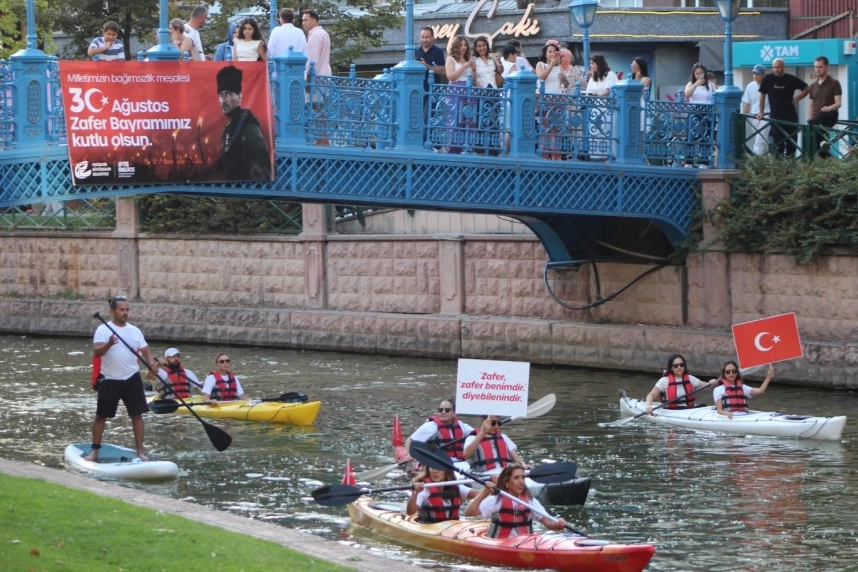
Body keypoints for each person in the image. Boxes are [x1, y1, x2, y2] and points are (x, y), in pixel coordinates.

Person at [85, 295, 155, 462]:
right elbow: (97, 352)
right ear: (112, 311)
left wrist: (152, 365)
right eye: (122, 310)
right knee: (101, 416)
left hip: (132, 378)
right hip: (109, 379)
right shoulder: (103, 330)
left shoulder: (134, 331)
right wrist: (109, 344)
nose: (125, 313)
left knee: (137, 415)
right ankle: (94, 452)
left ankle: (140, 452)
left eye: (127, 310)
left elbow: (145, 350)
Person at [463, 464, 566, 537]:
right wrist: (484, 492)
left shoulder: (531, 501)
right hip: (500, 544)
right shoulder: (496, 500)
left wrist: (557, 525)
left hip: (526, 543)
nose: (521, 482)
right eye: (516, 478)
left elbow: (548, 523)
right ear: (507, 482)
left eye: (523, 477)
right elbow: (469, 513)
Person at [215, 65, 273, 181]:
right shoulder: (230, 123)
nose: (223, 100)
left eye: (228, 94)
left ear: (239, 96)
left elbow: (260, 169)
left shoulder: (248, 126)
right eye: (221, 95)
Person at [757, 58, 807, 157]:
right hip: (775, 119)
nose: (776, 69)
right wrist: (761, 112)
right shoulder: (768, 78)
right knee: (778, 148)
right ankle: (779, 170)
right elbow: (762, 95)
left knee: (791, 148)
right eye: (774, 67)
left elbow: (807, 88)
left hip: (791, 119)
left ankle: (790, 169)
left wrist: (797, 98)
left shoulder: (791, 78)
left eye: (778, 67)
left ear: (784, 67)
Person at [404, 398, 474, 462]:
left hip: (460, 463)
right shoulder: (430, 426)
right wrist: (410, 454)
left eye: (447, 410)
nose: (443, 412)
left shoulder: (461, 426)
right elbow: (409, 440)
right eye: (441, 410)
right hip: (438, 463)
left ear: (455, 414)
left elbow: (476, 433)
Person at [644, 354, 716, 415]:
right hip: (672, 411)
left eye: (682, 365)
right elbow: (651, 395)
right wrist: (648, 406)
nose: (679, 367)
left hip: (689, 410)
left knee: (703, 405)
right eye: (676, 365)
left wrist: (712, 383)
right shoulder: (664, 381)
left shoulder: (690, 378)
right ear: (671, 368)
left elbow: (707, 387)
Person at [406, 465, 478, 523]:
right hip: (430, 529)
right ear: (428, 469)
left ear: (447, 471)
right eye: (432, 467)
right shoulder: (424, 489)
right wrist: (415, 493)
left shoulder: (456, 487)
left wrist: (487, 488)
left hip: (452, 529)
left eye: (440, 468)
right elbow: (410, 512)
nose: (436, 471)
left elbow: (479, 494)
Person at [463, 414, 529, 472]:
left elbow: (516, 457)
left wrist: (524, 465)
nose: (496, 426)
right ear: (482, 421)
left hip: (505, 474)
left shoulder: (504, 437)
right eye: (493, 423)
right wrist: (482, 432)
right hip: (484, 475)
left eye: (498, 423)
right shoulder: (472, 438)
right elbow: (466, 455)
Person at [805, 56, 842, 158]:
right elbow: (811, 105)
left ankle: (823, 146)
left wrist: (829, 107)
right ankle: (825, 154)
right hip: (816, 119)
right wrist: (810, 116)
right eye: (816, 67)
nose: (817, 69)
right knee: (813, 144)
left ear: (826, 67)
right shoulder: (812, 86)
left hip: (829, 115)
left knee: (820, 121)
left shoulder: (834, 83)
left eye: (820, 67)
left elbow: (839, 103)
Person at [742, 64, 771, 156]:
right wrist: (743, 116)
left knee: (760, 140)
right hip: (754, 116)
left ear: (763, 75)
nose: (755, 76)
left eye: (758, 74)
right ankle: (766, 161)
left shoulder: (769, 85)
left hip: (766, 115)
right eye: (754, 73)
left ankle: (755, 161)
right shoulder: (750, 86)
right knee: (761, 140)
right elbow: (747, 103)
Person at [302, 10, 331, 77]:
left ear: (314, 21)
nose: (303, 23)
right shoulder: (323, 33)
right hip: (325, 75)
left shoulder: (315, 35)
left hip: (316, 78)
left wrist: (306, 74)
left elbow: (312, 58)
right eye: (303, 20)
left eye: (306, 20)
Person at [416, 27, 446, 92]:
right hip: (418, 89)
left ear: (432, 37)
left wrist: (427, 66)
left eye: (427, 37)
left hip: (433, 90)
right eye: (422, 37)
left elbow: (442, 71)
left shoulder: (438, 51)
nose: (424, 40)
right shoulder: (415, 52)